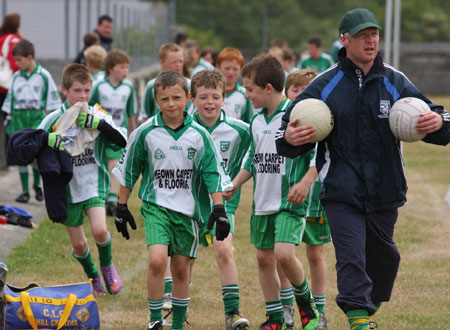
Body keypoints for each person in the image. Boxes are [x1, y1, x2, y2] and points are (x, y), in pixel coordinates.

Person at [275, 8, 450, 330]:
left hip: (386, 188)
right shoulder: (325, 85)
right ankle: (358, 321)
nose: (370, 40)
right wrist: (288, 136)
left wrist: (438, 121)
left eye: (374, 34)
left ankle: (366, 312)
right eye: (362, 35)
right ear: (345, 40)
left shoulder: (394, 80)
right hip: (341, 189)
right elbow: (286, 130)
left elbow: (440, 116)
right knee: (351, 256)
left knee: (384, 260)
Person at [112, 71, 232, 330]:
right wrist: (122, 205)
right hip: (156, 208)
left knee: (180, 270)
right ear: (156, 100)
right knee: (157, 260)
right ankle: (155, 321)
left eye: (177, 97)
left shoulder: (199, 135)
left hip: (189, 213)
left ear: (188, 98)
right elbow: (131, 169)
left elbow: (212, 173)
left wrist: (219, 208)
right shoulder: (145, 132)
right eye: (164, 99)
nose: (171, 104)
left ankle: (177, 324)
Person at [224, 54, 319, 330]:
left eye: (250, 89)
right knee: (264, 258)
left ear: (267, 88)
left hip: (289, 200)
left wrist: (306, 182)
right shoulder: (255, 121)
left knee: (284, 255)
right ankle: (275, 317)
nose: (246, 94)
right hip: (262, 203)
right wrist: (235, 183)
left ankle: (307, 307)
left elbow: (318, 155)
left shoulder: (298, 115)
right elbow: (252, 160)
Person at [38, 63, 127, 296]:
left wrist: (100, 125)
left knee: (99, 230)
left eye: (87, 91)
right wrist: (49, 142)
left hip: (93, 183)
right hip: (67, 190)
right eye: (77, 91)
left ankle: (107, 267)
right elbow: (31, 149)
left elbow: (121, 140)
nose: (83, 96)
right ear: (64, 90)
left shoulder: (97, 115)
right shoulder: (52, 121)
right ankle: (92, 275)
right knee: (79, 245)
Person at [191, 70, 251, 330]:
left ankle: (232, 313)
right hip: (189, 202)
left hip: (223, 203)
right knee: (182, 258)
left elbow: (259, 151)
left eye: (215, 96)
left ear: (225, 99)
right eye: (203, 97)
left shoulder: (239, 130)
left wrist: (236, 182)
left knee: (224, 250)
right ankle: (171, 306)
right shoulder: (184, 128)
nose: (210, 102)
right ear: (192, 100)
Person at [282, 68, 331, 330]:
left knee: (315, 253)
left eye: (307, 90)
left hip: (315, 198)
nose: (301, 96)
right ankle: (287, 307)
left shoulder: (324, 121)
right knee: (283, 253)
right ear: (286, 94)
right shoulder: (283, 124)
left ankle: (319, 311)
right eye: (295, 90)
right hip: (287, 200)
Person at [2, 39, 61, 203]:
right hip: (19, 119)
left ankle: (36, 185)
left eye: (19, 60)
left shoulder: (43, 76)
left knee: (35, 154)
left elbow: (53, 102)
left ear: (29, 57)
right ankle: (25, 191)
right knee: (20, 154)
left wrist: (54, 124)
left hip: (36, 118)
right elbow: (11, 98)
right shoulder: (16, 77)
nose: (17, 63)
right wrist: (9, 117)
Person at [89, 49, 136, 216]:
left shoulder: (129, 87)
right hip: (100, 133)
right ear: (110, 68)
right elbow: (89, 108)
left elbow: (130, 113)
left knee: (115, 165)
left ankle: (111, 200)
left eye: (127, 67)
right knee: (99, 165)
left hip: (118, 133)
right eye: (121, 67)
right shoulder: (99, 86)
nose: (125, 71)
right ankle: (95, 198)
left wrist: (131, 135)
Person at [140, 43, 193, 123]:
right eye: (174, 62)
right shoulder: (152, 85)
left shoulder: (190, 85)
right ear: (161, 62)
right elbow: (145, 116)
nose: (178, 65)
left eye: (181, 61)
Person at [0, 13, 22, 170]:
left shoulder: (1, 38)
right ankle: (12, 159)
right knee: (14, 124)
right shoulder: (14, 40)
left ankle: (1, 161)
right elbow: (16, 64)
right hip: (8, 88)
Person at [216, 47, 253, 123]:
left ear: (241, 69)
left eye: (235, 69)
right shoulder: (210, 92)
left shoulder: (245, 94)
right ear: (218, 67)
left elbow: (248, 121)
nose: (231, 72)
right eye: (227, 68)